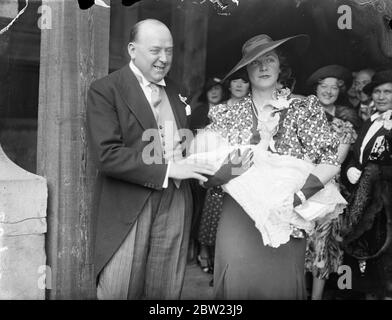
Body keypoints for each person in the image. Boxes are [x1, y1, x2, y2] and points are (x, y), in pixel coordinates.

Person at [203, 34, 341, 299]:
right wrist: (222, 174)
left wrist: (298, 197)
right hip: (239, 213)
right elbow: (204, 173)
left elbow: (330, 161)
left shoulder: (302, 108)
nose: (263, 67)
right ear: (246, 70)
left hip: (288, 213)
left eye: (270, 60)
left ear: (281, 67)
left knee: (280, 287)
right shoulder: (227, 114)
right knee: (237, 284)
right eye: (255, 62)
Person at [86, 19, 215, 300]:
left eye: (169, 51)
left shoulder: (176, 90)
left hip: (177, 199)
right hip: (130, 201)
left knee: (167, 287)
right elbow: (107, 155)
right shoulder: (106, 89)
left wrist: (198, 147)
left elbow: (181, 137)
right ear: (132, 50)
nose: (164, 59)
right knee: (119, 288)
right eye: (155, 50)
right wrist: (169, 168)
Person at [304, 65, 358, 299]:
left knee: (321, 248)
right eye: (323, 86)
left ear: (340, 91)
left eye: (334, 87)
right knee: (295, 246)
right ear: (315, 89)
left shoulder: (345, 125)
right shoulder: (301, 118)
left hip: (326, 193)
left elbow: (335, 162)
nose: (328, 91)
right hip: (297, 187)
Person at [341, 69, 392, 299]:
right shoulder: (369, 121)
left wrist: (375, 170)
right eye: (378, 92)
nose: (381, 97)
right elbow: (357, 153)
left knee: (383, 255)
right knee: (361, 251)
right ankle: (356, 291)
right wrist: (352, 166)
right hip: (362, 196)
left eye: (388, 92)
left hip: (386, 200)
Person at [196, 70, 250, 277]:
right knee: (213, 215)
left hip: (244, 168)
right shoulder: (219, 110)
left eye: (244, 81)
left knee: (238, 223)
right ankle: (215, 263)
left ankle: (234, 271)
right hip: (219, 167)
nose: (239, 85)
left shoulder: (253, 108)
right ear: (229, 85)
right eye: (235, 80)